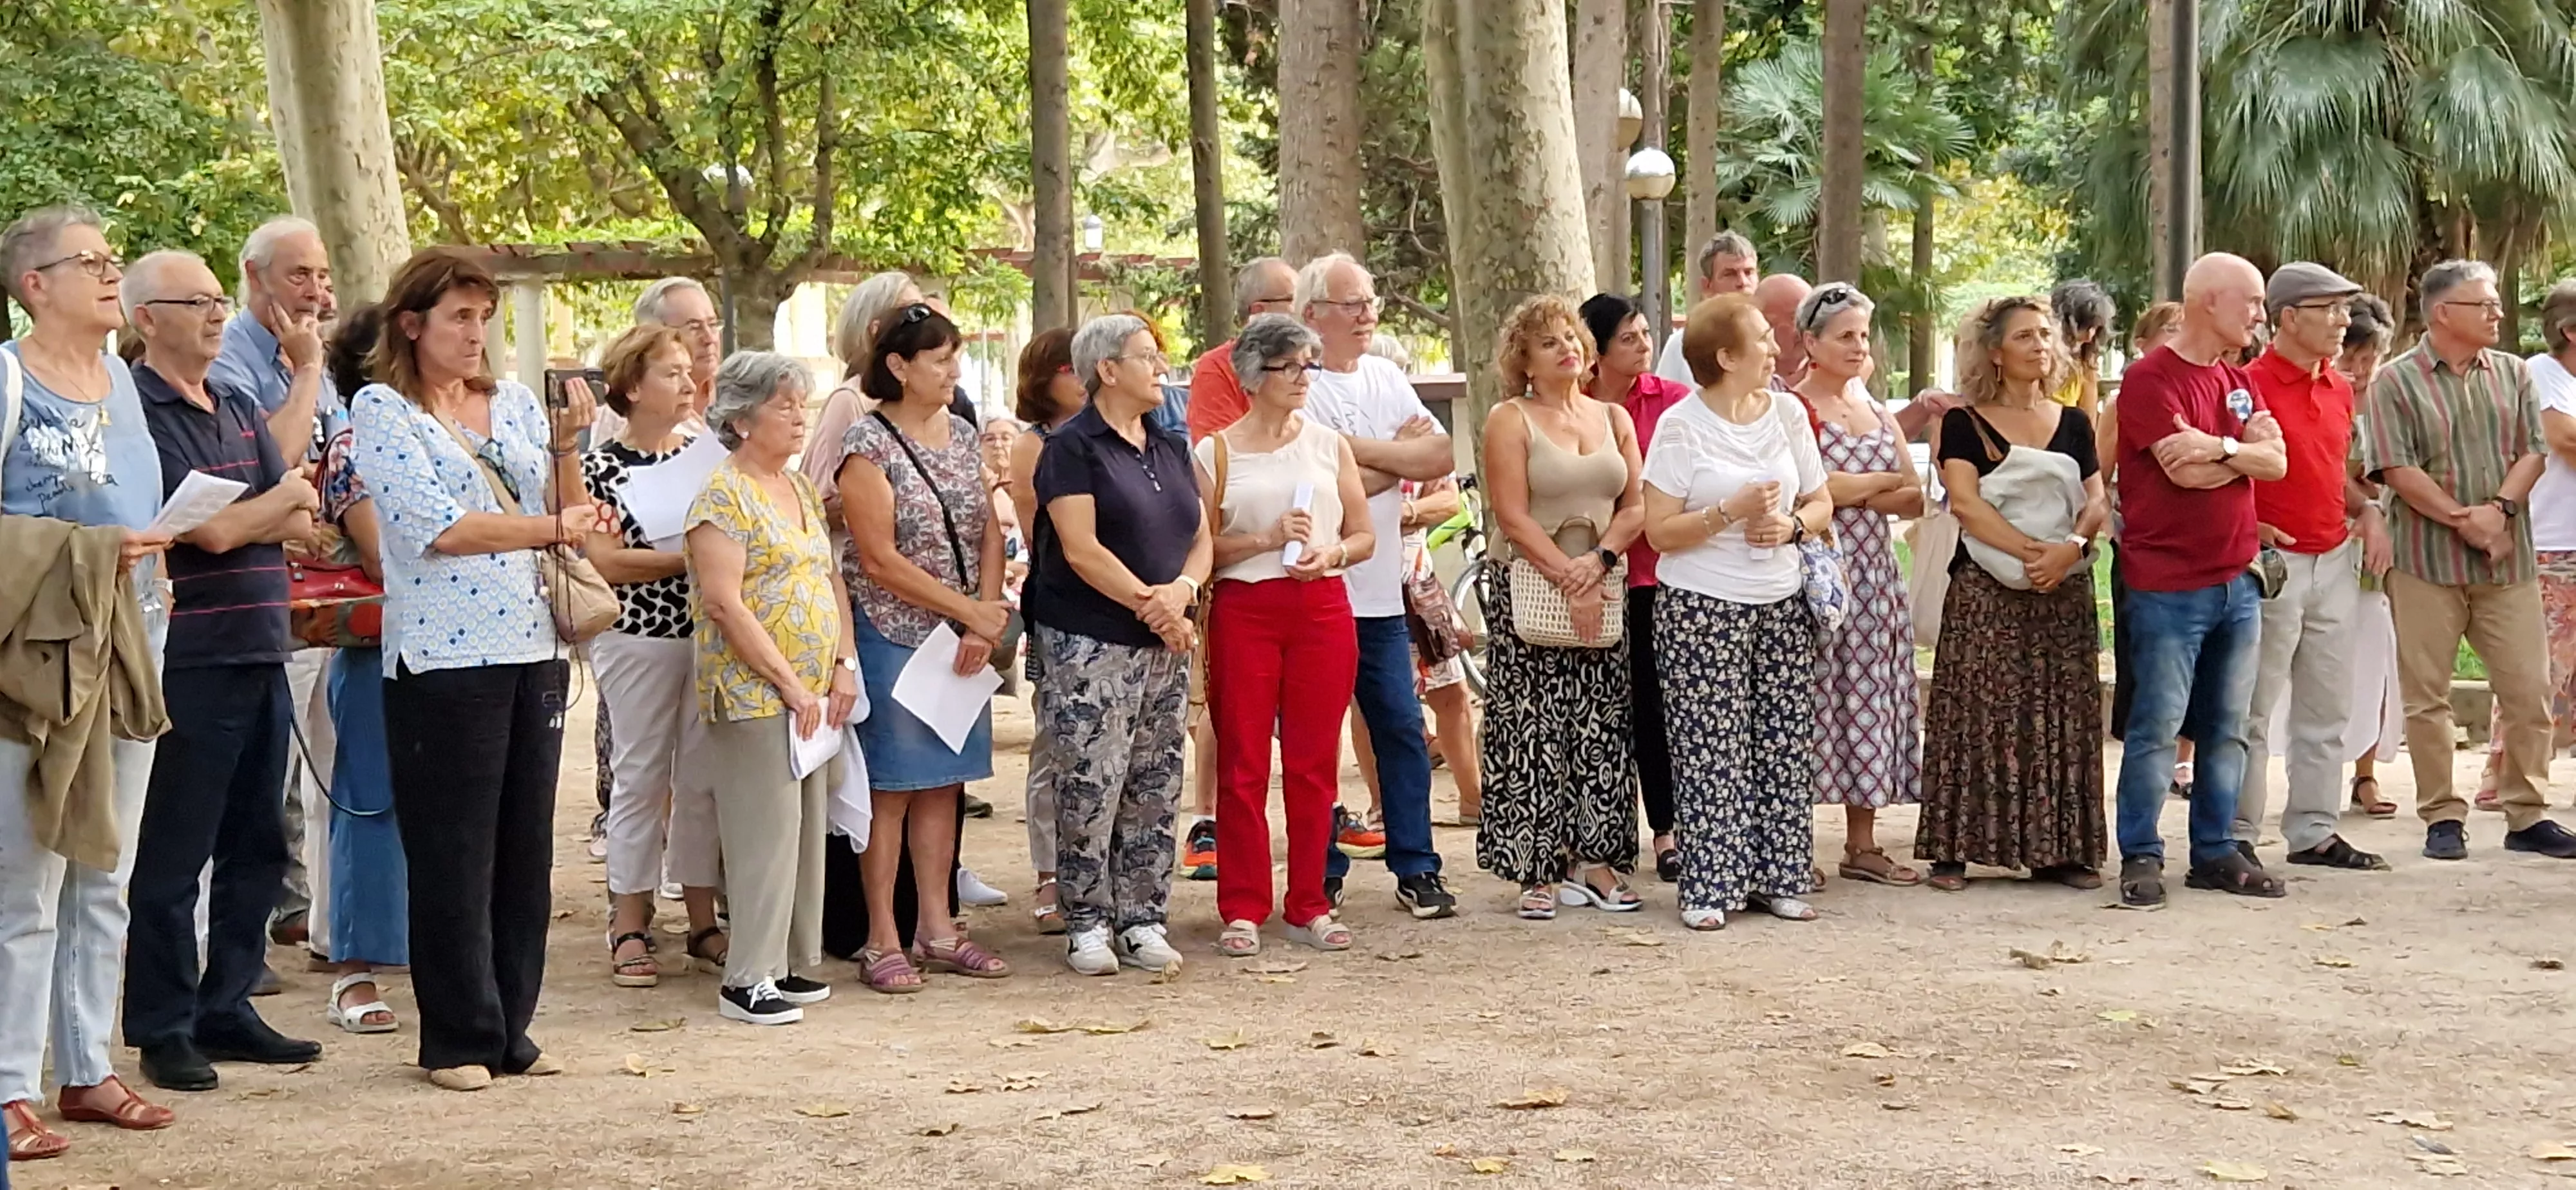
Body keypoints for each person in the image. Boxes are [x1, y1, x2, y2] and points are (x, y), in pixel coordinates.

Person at [351, 246, 601, 1091]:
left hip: (535, 645)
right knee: (454, 851)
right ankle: (456, 1036)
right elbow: (437, 526)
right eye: (459, 316)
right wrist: (553, 530)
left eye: (483, 316)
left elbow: (559, 505)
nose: (476, 332)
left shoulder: (520, 403)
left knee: (525, 848)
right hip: (443, 654)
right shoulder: (383, 408)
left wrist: (569, 448)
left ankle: (510, 1027)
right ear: (412, 323)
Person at [122, 250, 323, 1093]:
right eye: (194, 302)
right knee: (175, 852)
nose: (215, 314)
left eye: (216, 300)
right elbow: (199, 533)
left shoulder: (238, 400)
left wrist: (255, 515)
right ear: (145, 319)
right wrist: (260, 514)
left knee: (258, 842)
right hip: (191, 656)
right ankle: (163, 1025)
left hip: (261, 644)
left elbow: (302, 504)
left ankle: (227, 1003)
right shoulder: (139, 409)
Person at [0, 206, 178, 1160]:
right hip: (35, 662)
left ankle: (87, 1070)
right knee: (25, 880)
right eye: (92, 263)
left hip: (128, 644)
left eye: (115, 260)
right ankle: (6, 1087)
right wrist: (95, 553)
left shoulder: (119, 379)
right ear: (35, 285)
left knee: (104, 870)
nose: (115, 276)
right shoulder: (4, 377)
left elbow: (137, 501)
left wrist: (156, 570)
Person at [2363, 260, 2576, 860]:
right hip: (2425, 561)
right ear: (2441, 313)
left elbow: (2534, 451)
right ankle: (2441, 815)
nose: (2497, 313)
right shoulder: (2395, 381)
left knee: (2530, 688)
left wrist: (2501, 512)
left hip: (2507, 561)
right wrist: (2466, 520)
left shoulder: (2513, 373)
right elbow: (2396, 468)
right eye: (2483, 305)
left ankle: (2527, 814)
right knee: (2426, 696)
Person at [1640, 294, 1833, 930]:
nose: (1777, 349)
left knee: (1781, 741)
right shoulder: (1681, 425)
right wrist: (1731, 511)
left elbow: (1821, 503)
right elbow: (1660, 531)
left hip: (1779, 601)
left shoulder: (1786, 414)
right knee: (1709, 746)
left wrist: (1791, 528)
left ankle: (1780, 876)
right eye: (1762, 340)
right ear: (1725, 356)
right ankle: (1710, 886)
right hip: (1701, 604)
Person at [1027, 314, 1213, 974]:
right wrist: (1153, 606)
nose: (1161, 367)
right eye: (1146, 357)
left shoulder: (1167, 442)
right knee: (1089, 778)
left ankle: (1143, 915)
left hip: (1165, 637)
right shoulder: (1072, 449)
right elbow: (1081, 550)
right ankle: (1087, 919)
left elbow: (1201, 531)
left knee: (1153, 780)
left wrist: (1183, 591)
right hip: (1090, 638)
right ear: (1107, 370)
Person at [837, 303, 1012, 991]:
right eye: (938, 359)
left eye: (955, 357)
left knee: (944, 785)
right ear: (898, 366)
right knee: (892, 791)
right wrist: (965, 610)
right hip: (894, 633)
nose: (953, 371)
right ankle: (882, 935)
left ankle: (938, 928)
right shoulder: (866, 445)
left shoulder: (965, 434)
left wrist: (981, 621)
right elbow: (877, 558)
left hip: (959, 640)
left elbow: (989, 531)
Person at [2112, 253, 2292, 908]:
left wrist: (2219, 449)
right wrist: (2243, 456)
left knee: (2227, 725)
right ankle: (2141, 853)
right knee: (2156, 724)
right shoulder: (2148, 379)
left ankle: (2214, 850)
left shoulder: (2240, 381)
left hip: (2236, 580)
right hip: (2167, 583)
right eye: (2249, 301)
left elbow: (2276, 462)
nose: (2258, 314)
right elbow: (2178, 473)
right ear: (2207, 301)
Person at [684, 352, 857, 1025]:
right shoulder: (722, 496)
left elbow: (829, 577)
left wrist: (842, 662)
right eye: (782, 404)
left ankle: (785, 958)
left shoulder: (800, 489)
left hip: (812, 690)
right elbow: (725, 603)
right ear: (741, 417)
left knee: (806, 828)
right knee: (763, 832)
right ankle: (745, 975)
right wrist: (787, 682)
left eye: (799, 403)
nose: (797, 415)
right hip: (755, 691)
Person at [1917, 296, 2108, 892]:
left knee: (2061, 714)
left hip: (2063, 588)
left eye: (2046, 336)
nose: (2040, 346)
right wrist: (2031, 552)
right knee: (1978, 713)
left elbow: (2097, 498)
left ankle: (2060, 850)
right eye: (2025, 336)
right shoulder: (1962, 423)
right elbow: (1967, 504)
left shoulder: (2076, 422)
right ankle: (1955, 846)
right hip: (1987, 589)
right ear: (1995, 352)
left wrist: (2070, 549)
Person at [1198, 314, 1374, 955]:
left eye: (1310, 364)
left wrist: (1333, 555)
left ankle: (1310, 900)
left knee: (1314, 760)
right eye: (1291, 365)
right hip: (1245, 607)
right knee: (1243, 759)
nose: (1304, 377)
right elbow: (1200, 548)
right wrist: (1266, 540)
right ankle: (1242, 905)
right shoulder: (1215, 450)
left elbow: (1363, 532)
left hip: (1320, 604)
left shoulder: (1329, 444)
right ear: (1254, 374)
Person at [1294, 253, 1460, 918]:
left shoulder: (1386, 375)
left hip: (1381, 597)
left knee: (1398, 726)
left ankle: (1416, 864)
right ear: (1313, 316)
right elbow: (1315, 489)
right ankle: (1319, 869)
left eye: (1370, 302)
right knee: (1314, 740)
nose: (1368, 314)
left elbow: (1440, 457)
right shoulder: (1299, 384)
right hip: (1316, 594)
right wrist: (1393, 456)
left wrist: (1351, 453)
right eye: (1352, 304)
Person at [1474, 295, 1645, 919]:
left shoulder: (1613, 418)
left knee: (1602, 726)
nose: (1567, 347)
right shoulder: (1508, 419)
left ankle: (1596, 861)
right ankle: (1536, 867)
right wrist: (1565, 578)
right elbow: (1512, 516)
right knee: (1532, 728)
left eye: (1572, 337)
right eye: (1549, 342)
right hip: (1528, 580)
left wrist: (1596, 567)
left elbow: (1634, 506)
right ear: (1524, 361)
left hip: (1602, 577)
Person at [2232, 263, 2391, 873]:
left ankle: (2314, 830)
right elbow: (2231, 472)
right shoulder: (2246, 385)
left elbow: (2336, 473)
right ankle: (2237, 831)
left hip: (2335, 556)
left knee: (2327, 703)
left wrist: (2369, 510)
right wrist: (2249, 527)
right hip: (2272, 562)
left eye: (2346, 310)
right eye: (2330, 310)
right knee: (2253, 701)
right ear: (2288, 318)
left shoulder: (2339, 388)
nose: (2343, 322)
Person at [207, 216, 335, 968]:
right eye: (299, 276)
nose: (317, 289)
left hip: (326, 595)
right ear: (253, 277)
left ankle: (318, 920)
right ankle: (229, 958)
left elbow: (333, 461)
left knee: (320, 776)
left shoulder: (312, 352)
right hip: (253, 600)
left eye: (321, 275)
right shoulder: (231, 362)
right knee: (257, 785)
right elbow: (268, 466)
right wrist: (309, 371)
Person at [580, 324, 725, 988]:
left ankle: (702, 919)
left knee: (701, 780)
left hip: (703, 635)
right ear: (632, 387)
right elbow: (607, 562)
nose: (687, 381)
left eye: (687, 370)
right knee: (641, 778)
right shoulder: (601, 467)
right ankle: (630, 922)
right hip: (637, 637)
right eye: (669, 372)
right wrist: (693, 558)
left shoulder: (708, 457)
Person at [1790, 283, 1926, 885]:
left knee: (1872, 697)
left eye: (1863, 335)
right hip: (1816, 569)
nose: (1858, 346)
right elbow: (1805, 488)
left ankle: (1862, 843)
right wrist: (1866, 487)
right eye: (1845, 335)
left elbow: (1914, 491)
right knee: (1808, 699)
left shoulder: (1873, 408)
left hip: (1875, 573)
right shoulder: (1793, 407)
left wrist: (1849, 485)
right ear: (1811, 342)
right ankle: (1792, 842)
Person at [312, 308, 406, 1035]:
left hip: (456, 646)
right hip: (380, 648)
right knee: (369, 801)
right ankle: (356, 967)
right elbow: (383, 554)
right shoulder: (354, 443)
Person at [1582, 295, 1692, 878]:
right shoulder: (1569, 406)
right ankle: (1600, 839)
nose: (1644, 345)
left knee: (1654, 709)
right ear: (1594, 351)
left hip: (1653, 575)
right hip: (1580, 579)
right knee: (1599, 712)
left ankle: (1668, 832)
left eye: (1646, 333)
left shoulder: (1672, 401)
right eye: (1628, 337)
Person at [2472, 279, 2576, 811]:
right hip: (2555, 547)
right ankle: (2503, 773)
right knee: (2540, 669)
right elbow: (2563, 439)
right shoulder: (2542, 373)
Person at [1007, 328, 1084, 930]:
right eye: (1070, 365)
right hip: (1063, 602)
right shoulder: (1034, 445)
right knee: (1052, 744)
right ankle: (1050, 873)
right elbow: (1044, 538)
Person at [2102, 301, 2192, 794]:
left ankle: (2186, 757)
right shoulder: (2126, 398)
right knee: (2147, 661)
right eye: (2170, 331)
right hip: (2143, 543)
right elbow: (2100, 468)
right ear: (2143, 343)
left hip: (2201, 546)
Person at [2335, 294, 2404, 818]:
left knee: (2375, 658)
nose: (2359, 372)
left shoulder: (2389, 399)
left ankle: (2366, 772)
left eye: (2369, 361)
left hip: (2379, 545)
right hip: (2328, 534)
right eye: (2350, 359)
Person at [587, 276, 721, 443]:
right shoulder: (626, 410)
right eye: (694, 328)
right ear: (655, 335)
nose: (709, 338)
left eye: (713, 324)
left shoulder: (740, 391)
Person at [1186, 257, 1302, 444]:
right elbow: (1221, 453)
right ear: (1260, 311)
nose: (1304, 308)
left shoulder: (1312, 362)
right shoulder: (1217, 368)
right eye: (1294, 299)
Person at [1653, 232, 1761, 387]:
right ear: (1707, 286)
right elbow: (1663, 401)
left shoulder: (1772, 337)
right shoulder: (1682, 344)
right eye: (1730, 274)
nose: (1743, 282)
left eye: (1749, 272)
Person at [2050, 279, 2116, 415]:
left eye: (2096, 329)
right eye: (2085, 327)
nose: (2089, 337)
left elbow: (2088, 419)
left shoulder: (2085, 363)